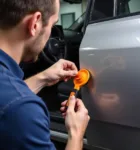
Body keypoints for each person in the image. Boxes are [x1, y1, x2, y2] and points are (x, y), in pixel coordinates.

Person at [0, 0, 90, 150]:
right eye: (52, 25)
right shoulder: (24, 111)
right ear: (35, 23)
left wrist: (43, 78)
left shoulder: (13, 101)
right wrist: (76, 133)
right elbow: (14, 105)